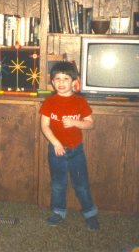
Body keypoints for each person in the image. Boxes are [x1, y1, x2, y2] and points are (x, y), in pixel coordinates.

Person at [39, 61, 99, 231]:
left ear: (74, 81)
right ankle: (58, 212)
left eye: (66, 78)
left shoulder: (80, 102)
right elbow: (44, 126)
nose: (61, 82)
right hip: (56, 150)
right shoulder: (49, 102)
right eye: (57, 78)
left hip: (76, 150)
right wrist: (56, 143)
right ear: (52, 82)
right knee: (58, 184)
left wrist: (75, 122)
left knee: (81, 184)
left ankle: (90, 214)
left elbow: (90, 124)